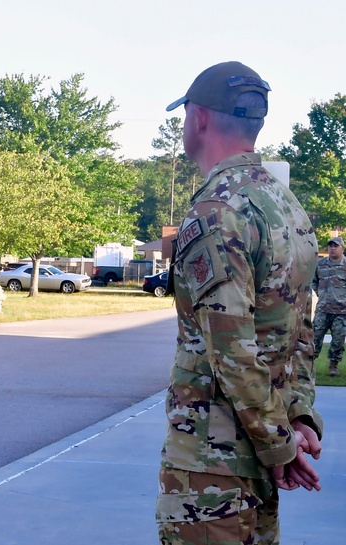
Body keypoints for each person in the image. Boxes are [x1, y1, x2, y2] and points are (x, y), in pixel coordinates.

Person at [157, 61, 323, 544]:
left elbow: (231, 350)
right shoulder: (285, 205)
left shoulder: (217, 210)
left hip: (212, 471)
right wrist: (295, 418)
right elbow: (300, 330)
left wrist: (281, 445)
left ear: (199, 117)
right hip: (254, 459)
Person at [312, 236, 346, 377]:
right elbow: (314, 282)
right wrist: (321, 294)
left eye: (335, 246)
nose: (332, 248)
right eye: (330, 246)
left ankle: (333, 365)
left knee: (338, 340)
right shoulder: (321, 264)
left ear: (342, 248)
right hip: (323, 310)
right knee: (314, 338)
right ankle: (309, 365)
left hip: (341, 311)